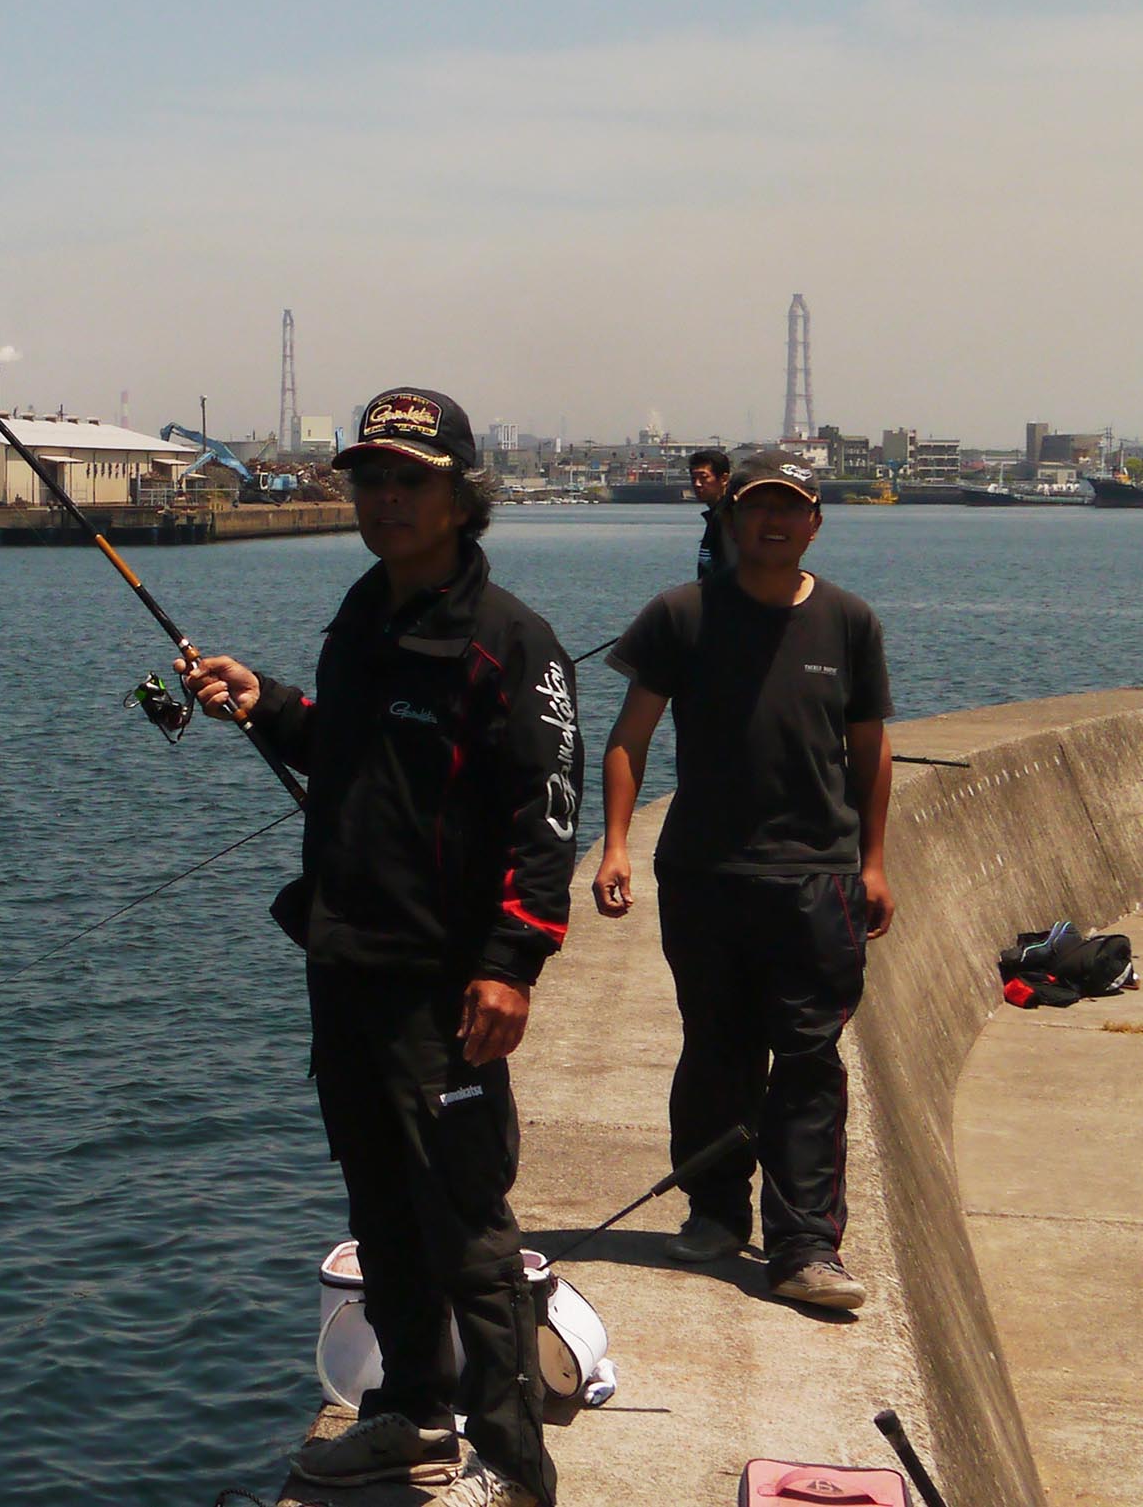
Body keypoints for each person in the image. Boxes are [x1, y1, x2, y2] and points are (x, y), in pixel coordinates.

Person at [181, 387, 579, 1507]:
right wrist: (268, 703)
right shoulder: (363, 618)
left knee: (467, 1228)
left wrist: (510, 964)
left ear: (462, 497)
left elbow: (547, 819)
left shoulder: (515, 643)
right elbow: (351, 752)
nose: (387, 497)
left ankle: (515, 1466)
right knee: (382, 1214)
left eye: (411, 478)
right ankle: (412, 1412)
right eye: (371, 478)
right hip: (345, 966)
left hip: (442, 987)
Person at [591, 452, 894, 1312]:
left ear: (815, 523)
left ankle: (805, 1245)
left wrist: (874, 862)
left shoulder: (849, 620)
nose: (774, 521)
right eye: (758, 506)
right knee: (716, 1048)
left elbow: (871, 750)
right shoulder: (681, 614)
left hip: (818, 877)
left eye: (791, 508)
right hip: (704, 873)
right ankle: (715, 1209)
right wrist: (614, 846)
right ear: (731, 519)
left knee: (808, 1059)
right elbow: (629, 737)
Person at [688, 447, 738, 581]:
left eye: (703, 478)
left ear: (724, 479)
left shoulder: (728, 517)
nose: (697, 484)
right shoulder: (716, 516)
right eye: (693, 478)